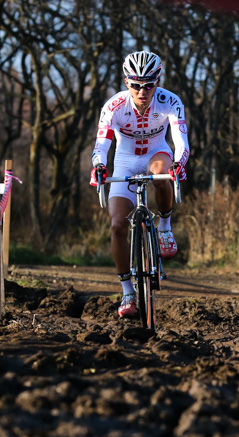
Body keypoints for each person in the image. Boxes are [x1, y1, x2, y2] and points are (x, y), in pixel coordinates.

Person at [90, 50, 189, 319]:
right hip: (125, 160)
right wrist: (99, 165)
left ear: (157, 82)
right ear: (126, 83)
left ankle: (165, 227)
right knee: (117, 225)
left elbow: (181, 142)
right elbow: (102, 145)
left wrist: (179, 162)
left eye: (148, 85)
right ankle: (127, 292)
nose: (142, 91)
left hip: (157, 153)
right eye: (135, 85)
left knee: (161, 172)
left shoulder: (170, 102)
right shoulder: (113, 107)